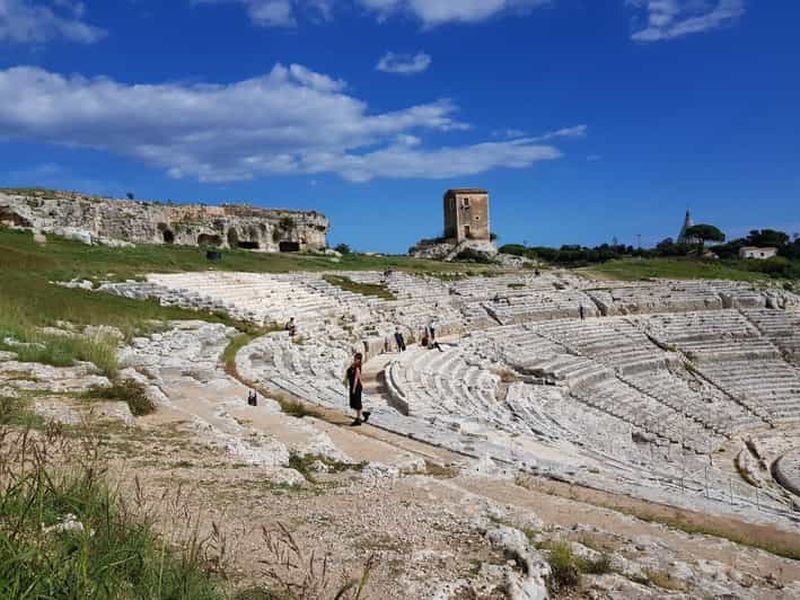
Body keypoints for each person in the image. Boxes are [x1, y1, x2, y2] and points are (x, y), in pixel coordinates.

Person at [346, 352, 370, 426]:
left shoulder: (357, 367)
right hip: (353, 385)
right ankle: (363, 414)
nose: (355, 359)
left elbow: (357, 378)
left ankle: (358, 419)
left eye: (357, 358)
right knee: (354, 403)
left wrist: (354, 388)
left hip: (356, 386)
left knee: (357, 403)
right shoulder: (353, 366)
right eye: (355, 358)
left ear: (359, 360)